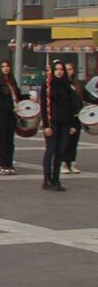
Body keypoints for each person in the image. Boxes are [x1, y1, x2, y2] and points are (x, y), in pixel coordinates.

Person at [40, 60, 81, 192]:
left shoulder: (67, 86)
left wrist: (73, 124)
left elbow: (73, 106)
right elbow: (44, 107)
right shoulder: (47, 86)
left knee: (60, 151)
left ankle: (56, 179)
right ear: (52, 71)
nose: (59, 72)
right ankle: (47, 180)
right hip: (52, 123)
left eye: (61, 69)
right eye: (57, 69)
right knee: (51, 150)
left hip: (65, 122)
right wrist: (46, 125)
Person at [62, 62, 85, 175]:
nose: (68, 72)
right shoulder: (61, 84)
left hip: (76, 117)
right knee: (65, 141)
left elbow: (87, 96)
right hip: (65, 117)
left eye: (70, 69)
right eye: (66, 69)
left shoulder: (78, 84)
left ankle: (72, 163)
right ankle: (63, 164)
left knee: (74, 142)